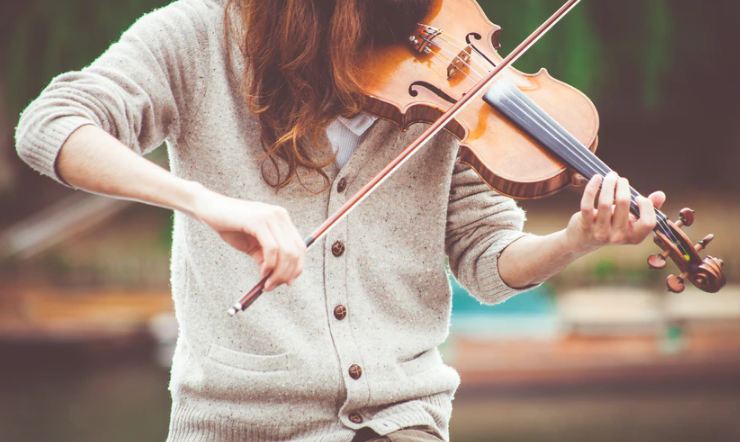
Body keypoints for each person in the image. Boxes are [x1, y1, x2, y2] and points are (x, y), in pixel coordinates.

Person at [14, 0, 665, 440]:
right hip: (238, 423)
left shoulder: (443, 80)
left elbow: (488, 260)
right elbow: (52, 126)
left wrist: (575, 239)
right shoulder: (196, 37)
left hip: (401, 419)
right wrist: (203, 201)